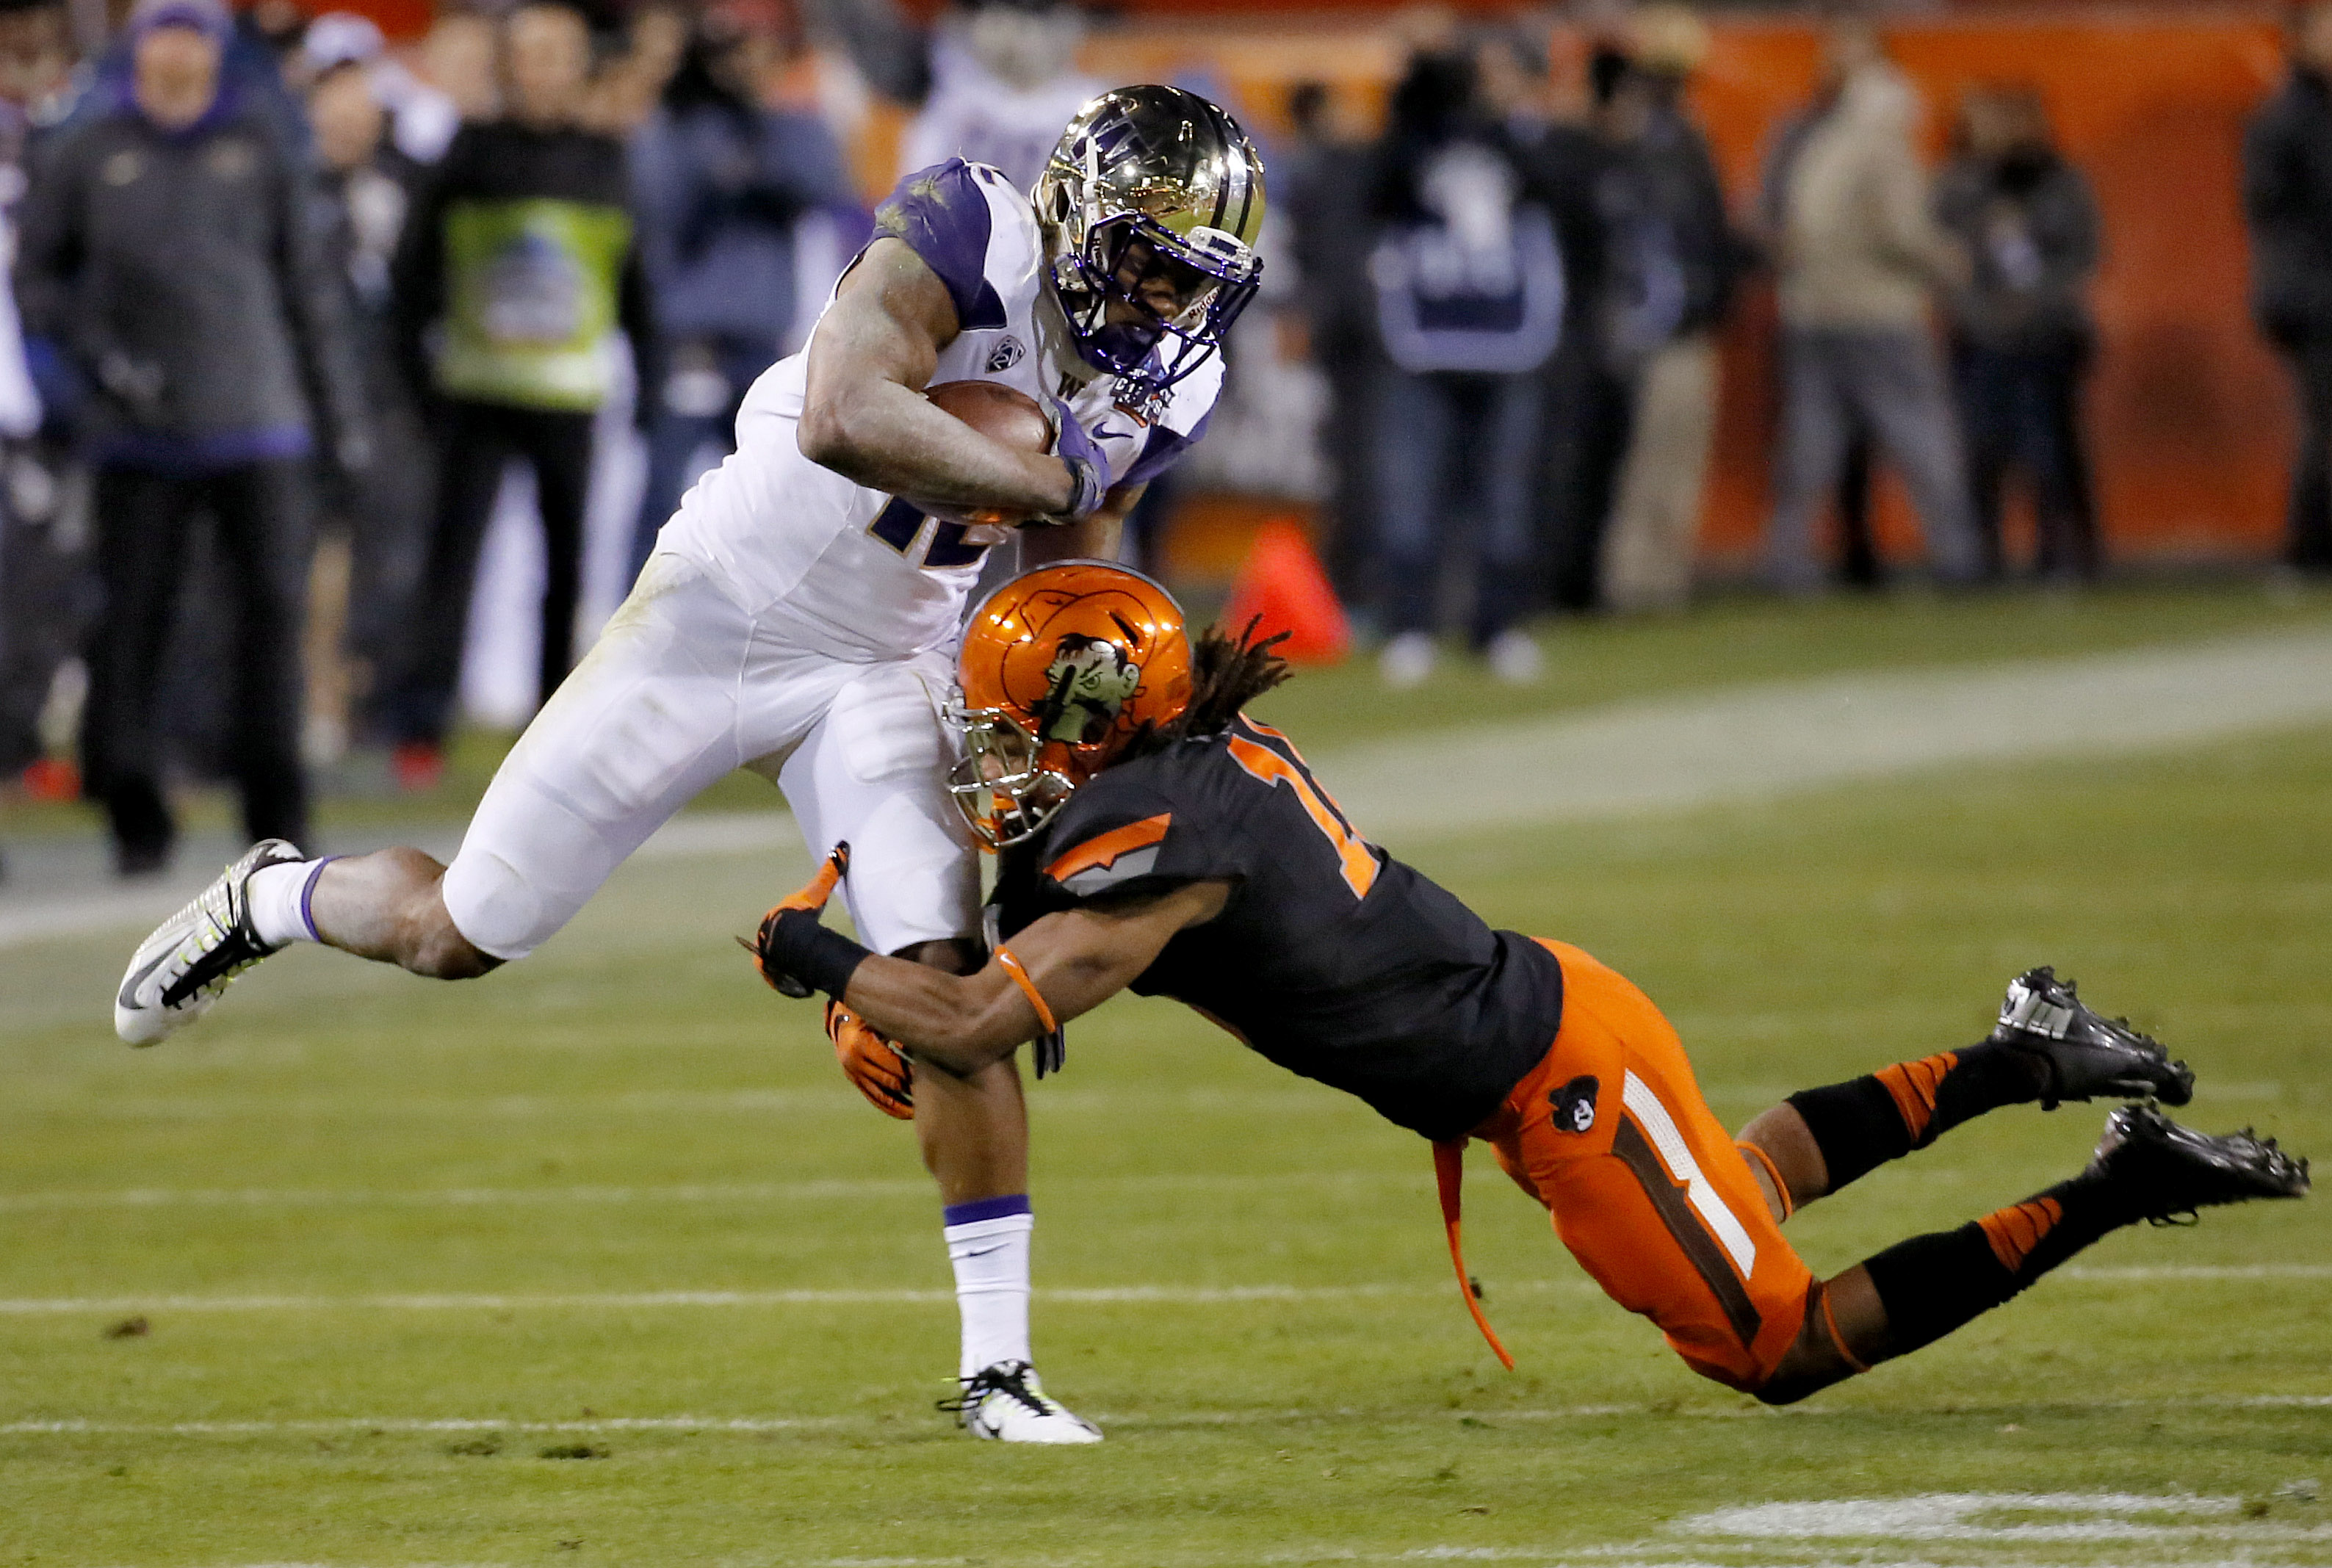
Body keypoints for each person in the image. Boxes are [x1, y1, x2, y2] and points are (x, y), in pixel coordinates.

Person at [109, 85, 1266, 1445]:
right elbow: (845, 414)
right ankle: (273, 899)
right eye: (1142, 258)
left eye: (1191, 277)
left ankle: (997, 1370)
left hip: (885, 664)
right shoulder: (969, 227)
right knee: (464, 931)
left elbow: (1072, 548)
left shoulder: (1176, 372)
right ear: (1076, 213)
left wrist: (1049, 709)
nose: (1156, 299)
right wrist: (1045, 478)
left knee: (953, 989)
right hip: (716, 614)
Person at [748, 559, 2311, 1412]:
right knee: (1738, 1190)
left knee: (1775, 1344)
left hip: (1555, 1073)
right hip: (1557, 1019)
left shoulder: (1157, 848)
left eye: (1021, 724)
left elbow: (972, 1022)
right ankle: (2018, 1052)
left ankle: (2114, 1180)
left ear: (1102, 722)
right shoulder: (1177, 769)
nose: (994, 754)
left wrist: (811, 949)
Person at [15, 0, 366, 875]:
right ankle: (135, 815)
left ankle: (277, 822)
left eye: (191, 38)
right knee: (131, 626)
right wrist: (96, 367)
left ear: (212, 52)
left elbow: (308, 290)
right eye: (163, 37)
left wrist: (338, 419)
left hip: (259, 421)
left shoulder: (259, 143)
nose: (176, 55)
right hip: (140, 435)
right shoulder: (89, 149)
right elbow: (37, 282)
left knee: (269, 629)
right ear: (141, 49)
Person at [381, 0, 657, 789]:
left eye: (557, 54)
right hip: (473, 393)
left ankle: (552, 723)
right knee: (452, 560)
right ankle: (420, 727)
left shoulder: (606, 158)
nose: (542, 69)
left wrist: (651, 377)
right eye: (529, 54)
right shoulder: (467, 154)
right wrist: (415, 379)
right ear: (508, 66)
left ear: (577, 66)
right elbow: (412, 276)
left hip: (569, 397)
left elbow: (635, 278)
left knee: (567, 564)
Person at [624, 0, 855, 584]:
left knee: (769, 499)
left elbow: (823, 186)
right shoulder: (679, 124)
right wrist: (718, 158)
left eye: (758, 52)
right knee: (664, 491)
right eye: (733, 53)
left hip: (762, 344)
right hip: (690, 339)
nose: (747, 65)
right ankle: (635, 622)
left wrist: (753, 155)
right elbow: (659, 207)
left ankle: (754, 630)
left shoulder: (789, 126)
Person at [1761, 13, 1981, 595]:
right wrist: (1949, 261)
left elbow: (1783, 221)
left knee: (1809, 446)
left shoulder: (1815, 137)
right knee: (1920, 436)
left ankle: (1787, 561)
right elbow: (1900, 228)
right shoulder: (1879, 145)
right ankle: (1958, 556)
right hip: (1877, 311)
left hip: (1809, 308)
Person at [1366, 44, 1565, 688]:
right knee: (1413, 496)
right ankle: (1412, 627)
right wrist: (1418, 98)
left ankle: (1497, 625)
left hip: (1503, 338)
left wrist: (1507, 116)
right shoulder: (1410, 146)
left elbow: (1553, 187)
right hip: (1427, 339)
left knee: (1502, 496)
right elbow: (1380, 188)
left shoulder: (1513, 143)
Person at [302, 26, 433, 763]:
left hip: (392, 393)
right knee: (312, 562)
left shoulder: (407, 180)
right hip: (312, 397)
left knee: (392, 559)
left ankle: (370, 705)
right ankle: (314, 703)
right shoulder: (290, 184)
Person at [1598, 7, 1746, 615]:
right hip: (1656, 324)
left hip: (1660, 322)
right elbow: (1681, 238)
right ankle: (1639, 581)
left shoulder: (1668, 138)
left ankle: (1651, 578)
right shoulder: (1652, 142)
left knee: (1663, 457)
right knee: (1654, 459)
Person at [1934, 85, 2101, 582]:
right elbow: (1943, 262)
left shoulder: (2061, 182)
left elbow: (2082, 255)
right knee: (1981, 451)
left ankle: (2063, 553)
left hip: (2047, 336)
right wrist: (1982, 314)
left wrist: (2033, 306)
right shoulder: (1957, 185)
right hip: (1980, 339)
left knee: (2050, 450)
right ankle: (1981, 558)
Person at [2244, 0, 2332, 577]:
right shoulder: (2283, 118)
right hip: (2311, 295)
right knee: (2324, 422)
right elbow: (2280, 212)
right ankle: (2307, 550)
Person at [900, 0, 1100, 195]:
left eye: (1026, 20)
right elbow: (918, 193)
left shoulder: (1087, 107)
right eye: (997, 16)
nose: (1010, 31)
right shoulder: (956, 96)